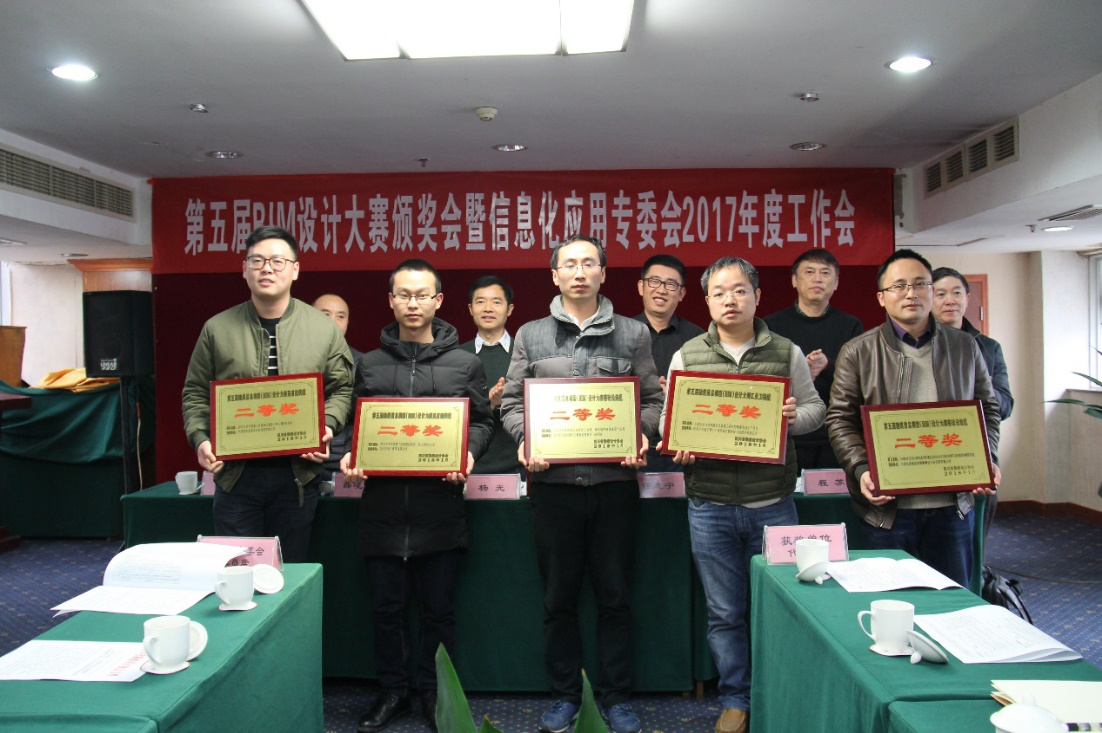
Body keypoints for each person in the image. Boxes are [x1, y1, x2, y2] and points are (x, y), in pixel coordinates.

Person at [500, 236, 662, 733]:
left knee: (615, 597)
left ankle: (616, 698)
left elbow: (653, 402)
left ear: (602, 273)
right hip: (553, 487)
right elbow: (511, 403)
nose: (579, 271)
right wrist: (525, 438)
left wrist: (641, 432)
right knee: (558, 599)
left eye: (588, 263)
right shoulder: (530, 335)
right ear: (554, 275)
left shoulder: (633, 333)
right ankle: (565, 696)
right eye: (569, 264)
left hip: (614, 485)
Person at [661, 256, 825, 733]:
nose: (729, 300)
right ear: (706, 301)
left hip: (773, 504)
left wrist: (794, 417)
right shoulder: (687, 354)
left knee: (780, 608)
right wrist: (679, 443)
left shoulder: (787, 352)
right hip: (709, 506)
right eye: (718, 293)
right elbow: (670, 419)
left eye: (739, 291)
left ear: (757, 296)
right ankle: (736, 697)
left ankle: (779, 692)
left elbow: (815, 409)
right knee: (725, 612)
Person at [340, 258, 493, 733]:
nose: (413, 303)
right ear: (391, 300)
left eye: (422, 295)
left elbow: (483, 421)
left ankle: (431, 692)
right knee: (385, 611)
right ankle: (391, 692)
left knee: (438, 613)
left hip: (439, 507)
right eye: (404, 294)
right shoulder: (369, 363)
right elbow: (354, 425)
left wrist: (468, 452)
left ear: (438, 301)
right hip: (382, 509)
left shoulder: (465, 364)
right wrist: (352, 454)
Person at [826, 249, 1000, 590]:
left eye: (920, 284)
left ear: (931, 291)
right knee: (890, 601)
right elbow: (840, 419)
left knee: (953, 602)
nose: (911, 293)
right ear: (881, 297)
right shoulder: (859, 351)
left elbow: (988, 410)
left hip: (953, 506)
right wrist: (861, 469)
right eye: (899, 286)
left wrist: (987, 458)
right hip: (889, 509)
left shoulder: (965, 346)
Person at [182, 225, 354, 563]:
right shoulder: (217, 328)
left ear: (295, 270)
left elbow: (342, 388)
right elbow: (195, 393)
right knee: (236, 571)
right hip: (235, 476)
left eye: (277, 261)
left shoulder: (322, 328)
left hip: (298, 476)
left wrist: (326, 426)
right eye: (257, 260)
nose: (267, 269)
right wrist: (200, 438)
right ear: (244, 268)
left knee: (289, 574)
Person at [931, 266, 1013, 544]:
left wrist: (982, 390)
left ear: (967, 298)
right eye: (940, 294)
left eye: (956, 293)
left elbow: (1005, 406)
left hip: (974, 451)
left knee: (974, 539)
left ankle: (976, 570)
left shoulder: (988, 348)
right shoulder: (915, 345)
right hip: (929, 449)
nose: (949, 301)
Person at [763, 248, 863, 469]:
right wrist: (800, 371)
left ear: (836, 283)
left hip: (835, 434)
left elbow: (861, 376)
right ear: (794, 280)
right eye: (809, 272)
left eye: (825, 273)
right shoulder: (771, 325)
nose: (817, 279)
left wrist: (827, 366)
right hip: (787, 432)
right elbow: (763, 377)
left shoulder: (851, 325)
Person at [633, 254, 704, 472]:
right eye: (654, 281)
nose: (662, 290)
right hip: (633, 444)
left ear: (681, 293)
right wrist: (648, 391)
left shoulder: (698, 339)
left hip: (681, 448)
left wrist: (676, 394)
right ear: (641, 287)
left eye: (671, 284)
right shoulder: (622, 334)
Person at [459, 275, 523, 475]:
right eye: (480, 302)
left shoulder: (525, 354)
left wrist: (509, 400)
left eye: (496, 302)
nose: (488, 309)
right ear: (470, 309)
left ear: (509, 309)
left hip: (518, 466)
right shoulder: (456, 357)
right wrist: (489, 404)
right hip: (468, 466)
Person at [312, 293, 363, 476]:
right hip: (302, 453)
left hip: (344, 457)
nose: (333, 322)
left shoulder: (363, 363)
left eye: (340, 316)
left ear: (347, 323)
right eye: (325, 315)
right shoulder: (292, 359)